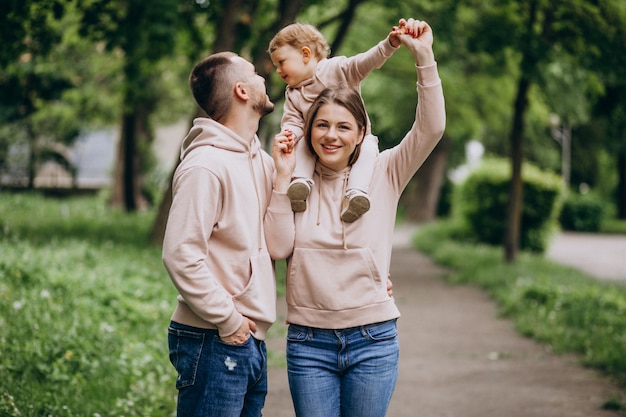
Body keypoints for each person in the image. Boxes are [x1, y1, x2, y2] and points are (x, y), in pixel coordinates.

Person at [266, 18, 445, 417]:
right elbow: (278, 248)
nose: (331, 135)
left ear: (361, 133)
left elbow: (431, 128)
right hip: (309, 343)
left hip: (373, 339)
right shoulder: (295, 180)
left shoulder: (384, 172)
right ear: (309, 130)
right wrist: (281, 177)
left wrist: (423, 57)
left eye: (344, 126)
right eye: (322, 125)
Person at [162, 51, 277, 417]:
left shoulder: (261, 161)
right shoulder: (206, 165)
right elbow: (181, 253)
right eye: (256, 73)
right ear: (242, 90)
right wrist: (228, 320)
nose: (264, 78)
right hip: (215, 337)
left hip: (248, 340)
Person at [268, 22, 403, 222]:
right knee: (302, 143)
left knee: (368, 150)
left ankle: (356, 194)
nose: (278, 70)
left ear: (305, 54)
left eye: (281, 62)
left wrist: (388, 45)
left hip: (357, 138)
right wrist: (289, 135)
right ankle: (301, 183)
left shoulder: (336, 69)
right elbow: (293, 121)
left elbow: (364, 62)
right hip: (318, 142)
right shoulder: (293, 93)